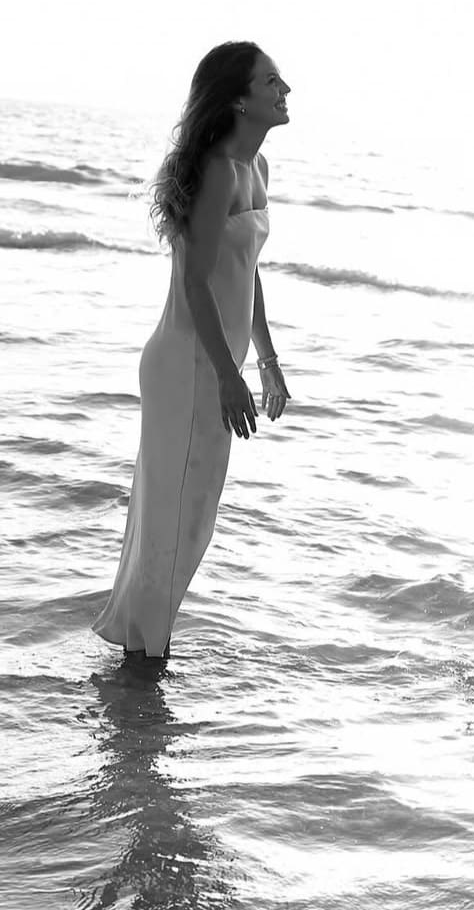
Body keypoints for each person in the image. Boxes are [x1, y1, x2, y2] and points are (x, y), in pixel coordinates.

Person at [93, 42, 293, 662]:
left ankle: (141, 665)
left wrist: (267, 359)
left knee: (189, 523)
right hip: (187, 365)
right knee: (171, 525)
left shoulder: (255, 170)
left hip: (217, 365)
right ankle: (142, 679)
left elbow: (246, 269)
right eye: (271, 80)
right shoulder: (216, 171)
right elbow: (195, 282)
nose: (285, 89)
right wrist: (229, 375)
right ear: (239, 98)